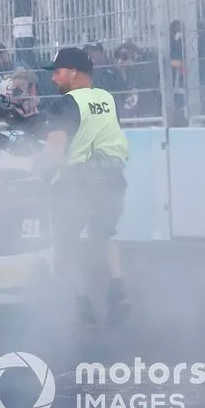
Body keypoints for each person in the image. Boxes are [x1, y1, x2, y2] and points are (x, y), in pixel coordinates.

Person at [40, 47, 131, 328]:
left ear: (74, 73)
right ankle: (118, 287)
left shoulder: (65, 105)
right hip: (112, 177)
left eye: (57, 72)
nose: (54, 78)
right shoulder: (106, 99)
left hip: (76, 182)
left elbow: (55, 154)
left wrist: (37, 169)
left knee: (64, 245)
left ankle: (82, 304)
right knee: (104, 235)